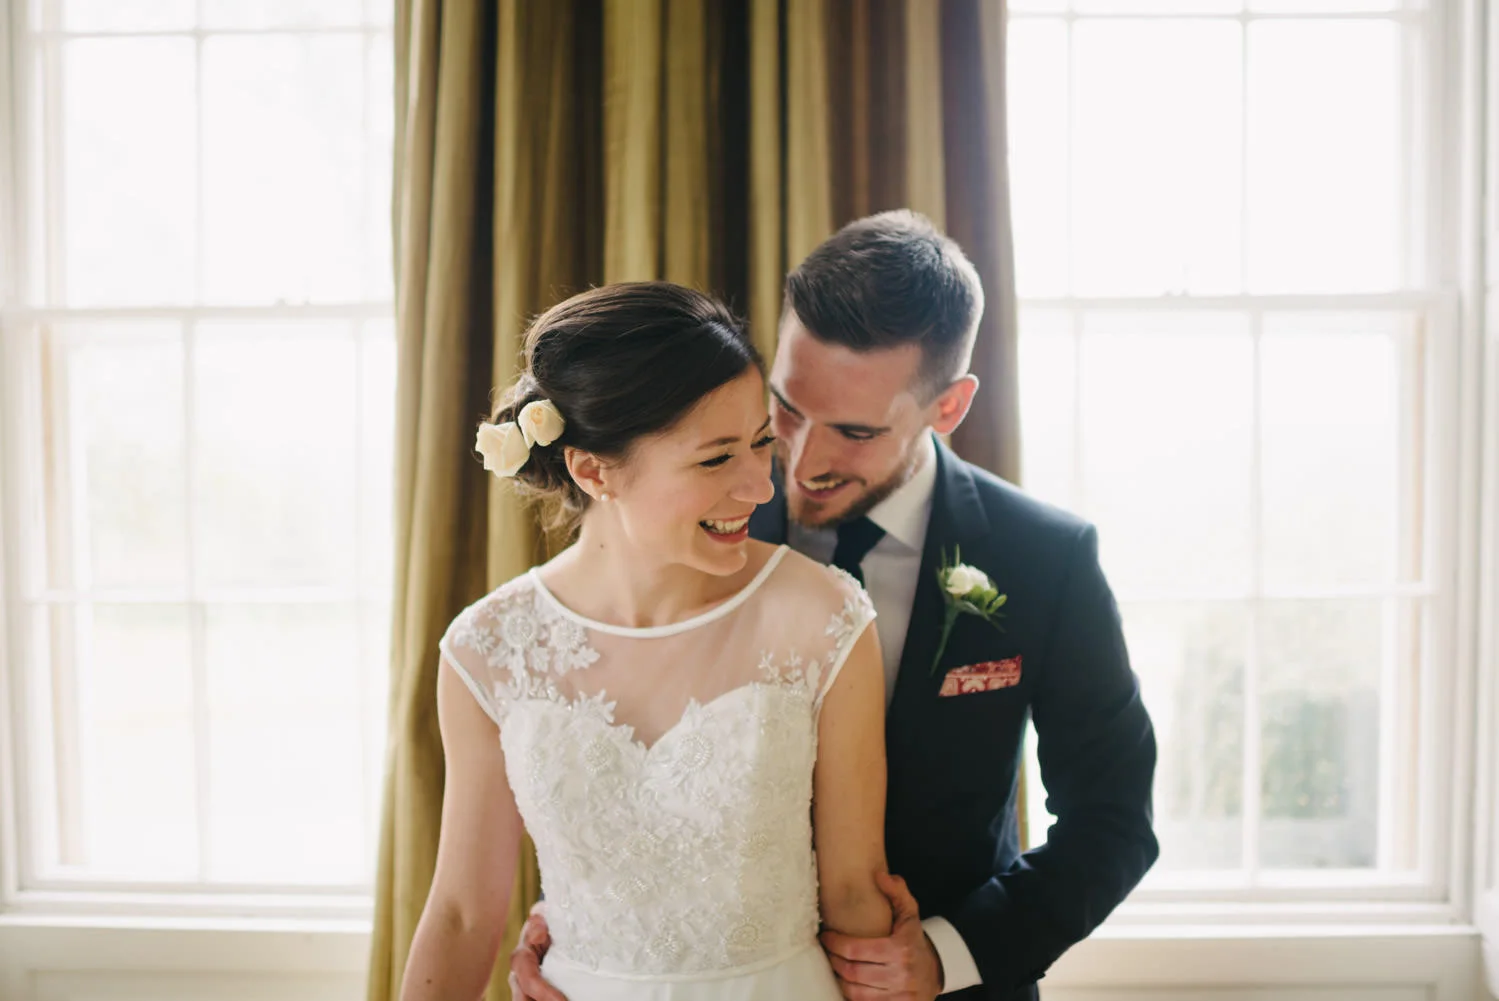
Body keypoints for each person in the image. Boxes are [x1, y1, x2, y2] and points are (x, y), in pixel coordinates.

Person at [512, 211, 1160, 1001]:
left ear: (947, 407)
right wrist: (598, 927)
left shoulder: (1043, 560)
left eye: (853, 430)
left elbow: (1114, 819)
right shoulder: (693, 519)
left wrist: (948, 953)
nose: (800, 461)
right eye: (785, 408)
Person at [400, 281, 893, 1001]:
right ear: (593, 470)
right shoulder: (488, 648)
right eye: (715, 458)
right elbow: (462, 911)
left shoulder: (823, 616)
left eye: (760, 444)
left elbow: (855, 891)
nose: (759, 488)